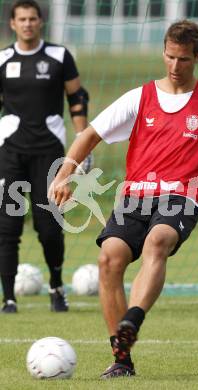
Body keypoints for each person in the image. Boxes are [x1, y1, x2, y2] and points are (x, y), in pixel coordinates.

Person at [49, 20, 198, 378]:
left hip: (182, 196)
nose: (176, 67)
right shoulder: (139, 97)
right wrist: (65, 173)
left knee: (157, 242)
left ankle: (133, 318)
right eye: (170, 57)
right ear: (163, 52)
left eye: (185, 60)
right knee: (108, 260)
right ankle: (121, 359)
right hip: (135, 195)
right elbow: (90, 135)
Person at [0, 0, 90, 313]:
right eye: (21, 19)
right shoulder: (2, 59)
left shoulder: (58, 56)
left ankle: (56, 286)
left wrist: (81, 139)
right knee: (7, 224)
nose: (27, 24)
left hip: (49, 154)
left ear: (41, 22)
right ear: (12, 24)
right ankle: (8, 297)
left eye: (33, 19)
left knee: (49, 226)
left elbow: (77, 97)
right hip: (10, 152)